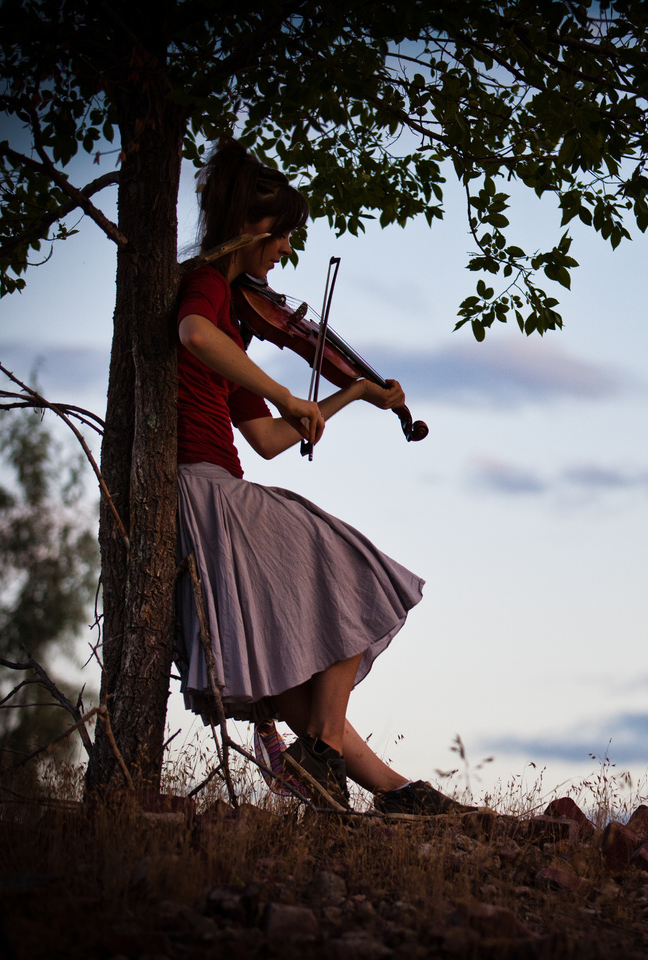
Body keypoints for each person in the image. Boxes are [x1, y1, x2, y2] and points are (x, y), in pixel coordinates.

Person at [174, 137, 468, 816]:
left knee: (299, 689)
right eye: (281, 239)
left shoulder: (235, 332)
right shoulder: (207, 287)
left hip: (220, 485)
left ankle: (395, 794)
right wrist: (287, 392)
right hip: (204, 488)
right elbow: (193, 334)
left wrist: (351, 395)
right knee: (355, 569)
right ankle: (326, 744)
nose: (284, 255)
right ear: (253, 229)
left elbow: (274, 441)